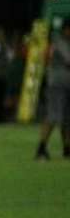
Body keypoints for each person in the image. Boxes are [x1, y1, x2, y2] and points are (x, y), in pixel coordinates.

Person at [35, 19, 70, 160]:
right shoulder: (59, 41)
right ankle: (41, 148)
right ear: (66, 30)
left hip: (66, 84)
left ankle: (67, 148)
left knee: (67, 118)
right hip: (57, 84)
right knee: (53, 116)